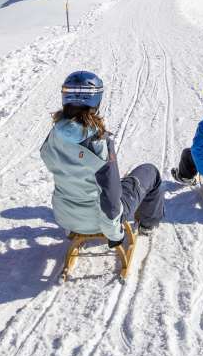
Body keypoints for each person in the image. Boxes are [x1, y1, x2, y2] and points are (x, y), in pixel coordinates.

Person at [40, 72, 164, 244]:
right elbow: (110, 196)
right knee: (150, 172)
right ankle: (147, 224)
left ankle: (74, 226)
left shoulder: (54, 136)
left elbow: (53, 161)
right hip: (99, 222)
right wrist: (114, 234)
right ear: (96, 100)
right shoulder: (99, 142)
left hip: (65, 217)